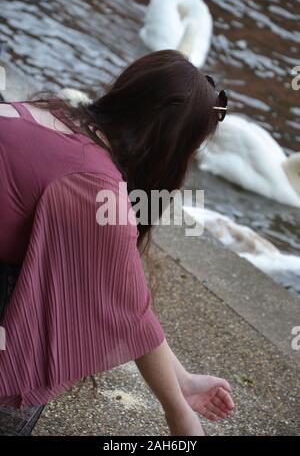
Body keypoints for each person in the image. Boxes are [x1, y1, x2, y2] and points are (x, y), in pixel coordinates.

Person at [0, 49, 233, 435]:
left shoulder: (60, 114)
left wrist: (184, 380)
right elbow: (125, 305)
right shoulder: (93, 187)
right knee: (42, 314)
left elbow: (119, 288)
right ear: (172, 147)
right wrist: (179, 412)